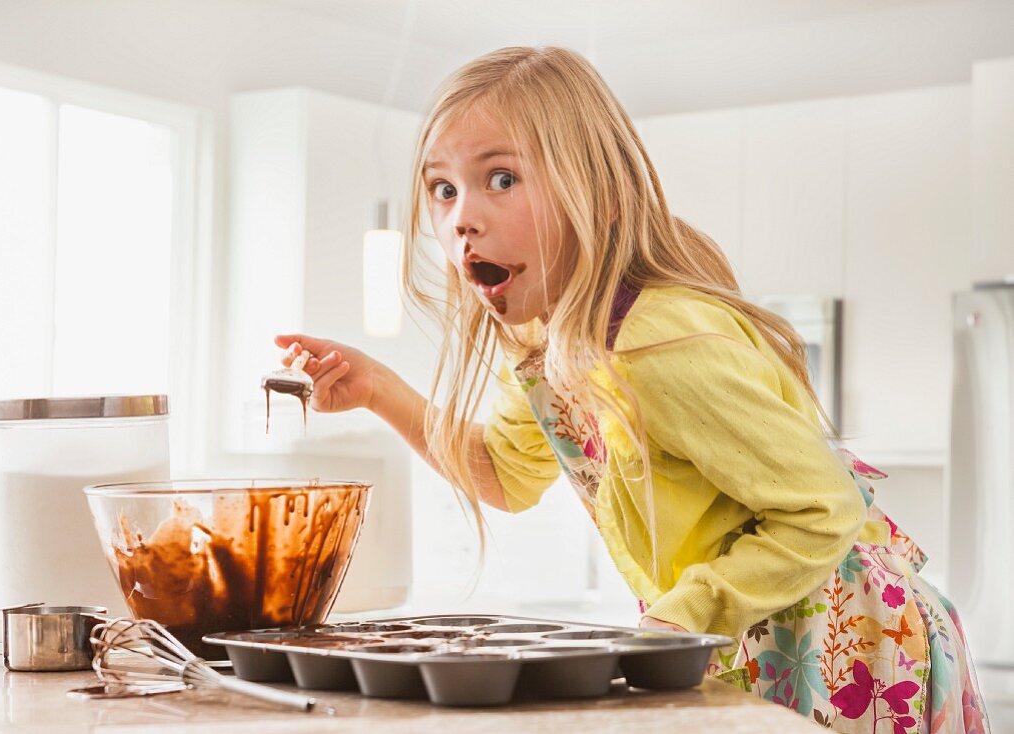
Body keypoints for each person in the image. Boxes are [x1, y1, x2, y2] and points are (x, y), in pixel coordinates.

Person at [274, 46, 988, 733]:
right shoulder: (544, 343)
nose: (461, 216)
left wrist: (679, 616)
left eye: (501, 179)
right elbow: (505, 477)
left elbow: (821, 507)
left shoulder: (655, 341)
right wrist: (377, 388)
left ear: (599, 190)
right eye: (443, 188)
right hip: (761, 633)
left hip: (857, 639)